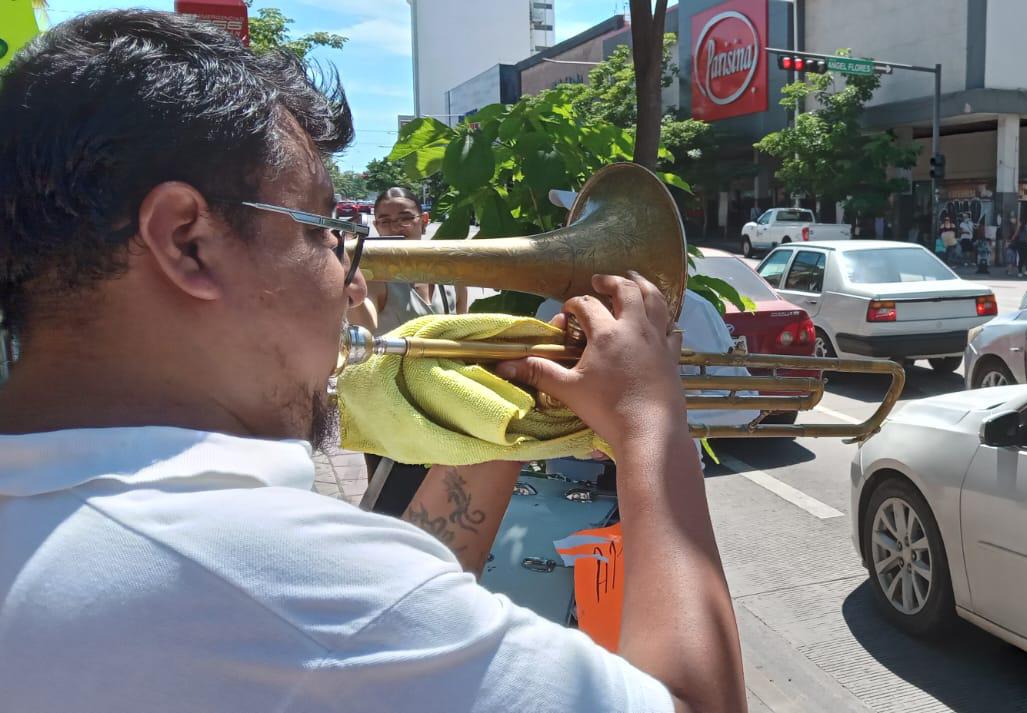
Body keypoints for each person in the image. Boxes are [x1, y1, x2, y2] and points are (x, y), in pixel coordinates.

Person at [0, 11, 741, 712]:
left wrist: (501, 424)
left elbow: (402, 619)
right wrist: (653, 424)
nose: (352, 279)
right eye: (327, 231)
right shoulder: (290, 581)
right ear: (187, 240)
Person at [350, 187, 470, 516]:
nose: (396, 227)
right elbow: (366, 326)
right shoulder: (376, 275)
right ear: (376, 226)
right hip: (389, 401)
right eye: (385, 221)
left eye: (405, 218)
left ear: (424, 220)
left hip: (439, 398)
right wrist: (352, 296)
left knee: (436, 491)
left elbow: (462, 326)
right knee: (391, 496)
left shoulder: (450, 271)